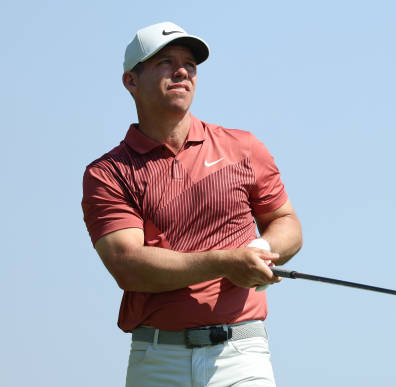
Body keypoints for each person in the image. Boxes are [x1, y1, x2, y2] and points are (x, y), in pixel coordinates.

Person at [81, 21, 302, 387]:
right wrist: (228, 262)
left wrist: (261, 249)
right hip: (157, 359)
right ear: (130, 82)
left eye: (190, 64)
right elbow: (128, 265)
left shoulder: (243, 147)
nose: (182, 71)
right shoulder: (108, 173)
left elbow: (286, 222)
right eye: (165, 61)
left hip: (241, 355)